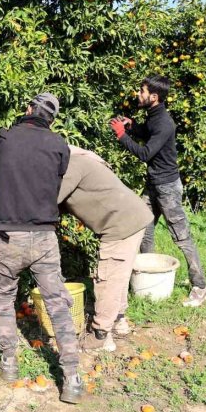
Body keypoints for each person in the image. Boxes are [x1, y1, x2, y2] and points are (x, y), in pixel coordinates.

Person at [0, 92, 84, 404]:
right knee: (57, 303)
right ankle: (72, 379)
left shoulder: (3, 137)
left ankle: (9, 365)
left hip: (8, 236)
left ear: (28, 109)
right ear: (51, 119)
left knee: (3, 298)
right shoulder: (59, 145)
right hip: (43, 237)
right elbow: (57, 176)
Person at [110, 75, 206, 307]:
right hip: (154, 185)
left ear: (153, 97)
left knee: (182, 237)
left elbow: (146, 154)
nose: (138, 94)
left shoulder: (165, 123)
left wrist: (121, 135)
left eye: (141, 91)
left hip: (167, 188)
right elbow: (148, 132)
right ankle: (147, 275)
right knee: (142, 227)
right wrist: (132, 126)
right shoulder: (155, 117)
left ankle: (201, 286)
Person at [57, 146, 153, 352]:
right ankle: (119, 321)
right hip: (134, 218)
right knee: (119, 274)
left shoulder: (73, 166)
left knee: (108, 277)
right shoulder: (83, 160)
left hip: (121, 224)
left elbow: (49, 201)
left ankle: (100, 336)